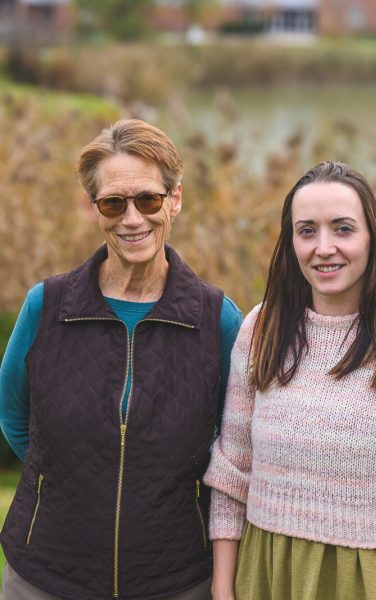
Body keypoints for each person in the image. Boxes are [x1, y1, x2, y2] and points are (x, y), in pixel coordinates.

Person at [203, 160, 376, 600]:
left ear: (372, 239)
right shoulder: (262, 329)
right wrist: (223, 589)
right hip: (265, 573)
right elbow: (233, 471)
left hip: (366, 579)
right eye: (307, 230)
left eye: (343, 228)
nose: (323, 247)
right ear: (291, 242)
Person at [0, 119, 243, 599]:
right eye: (113, 202)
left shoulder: (217, 318)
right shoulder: (45, 306)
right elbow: (12, 414)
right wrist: (64, 481)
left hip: (175, 579)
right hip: (45, 576)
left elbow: (235, 445)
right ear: (95, 209)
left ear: (175, 199)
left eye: (148, 199)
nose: (132, 219)